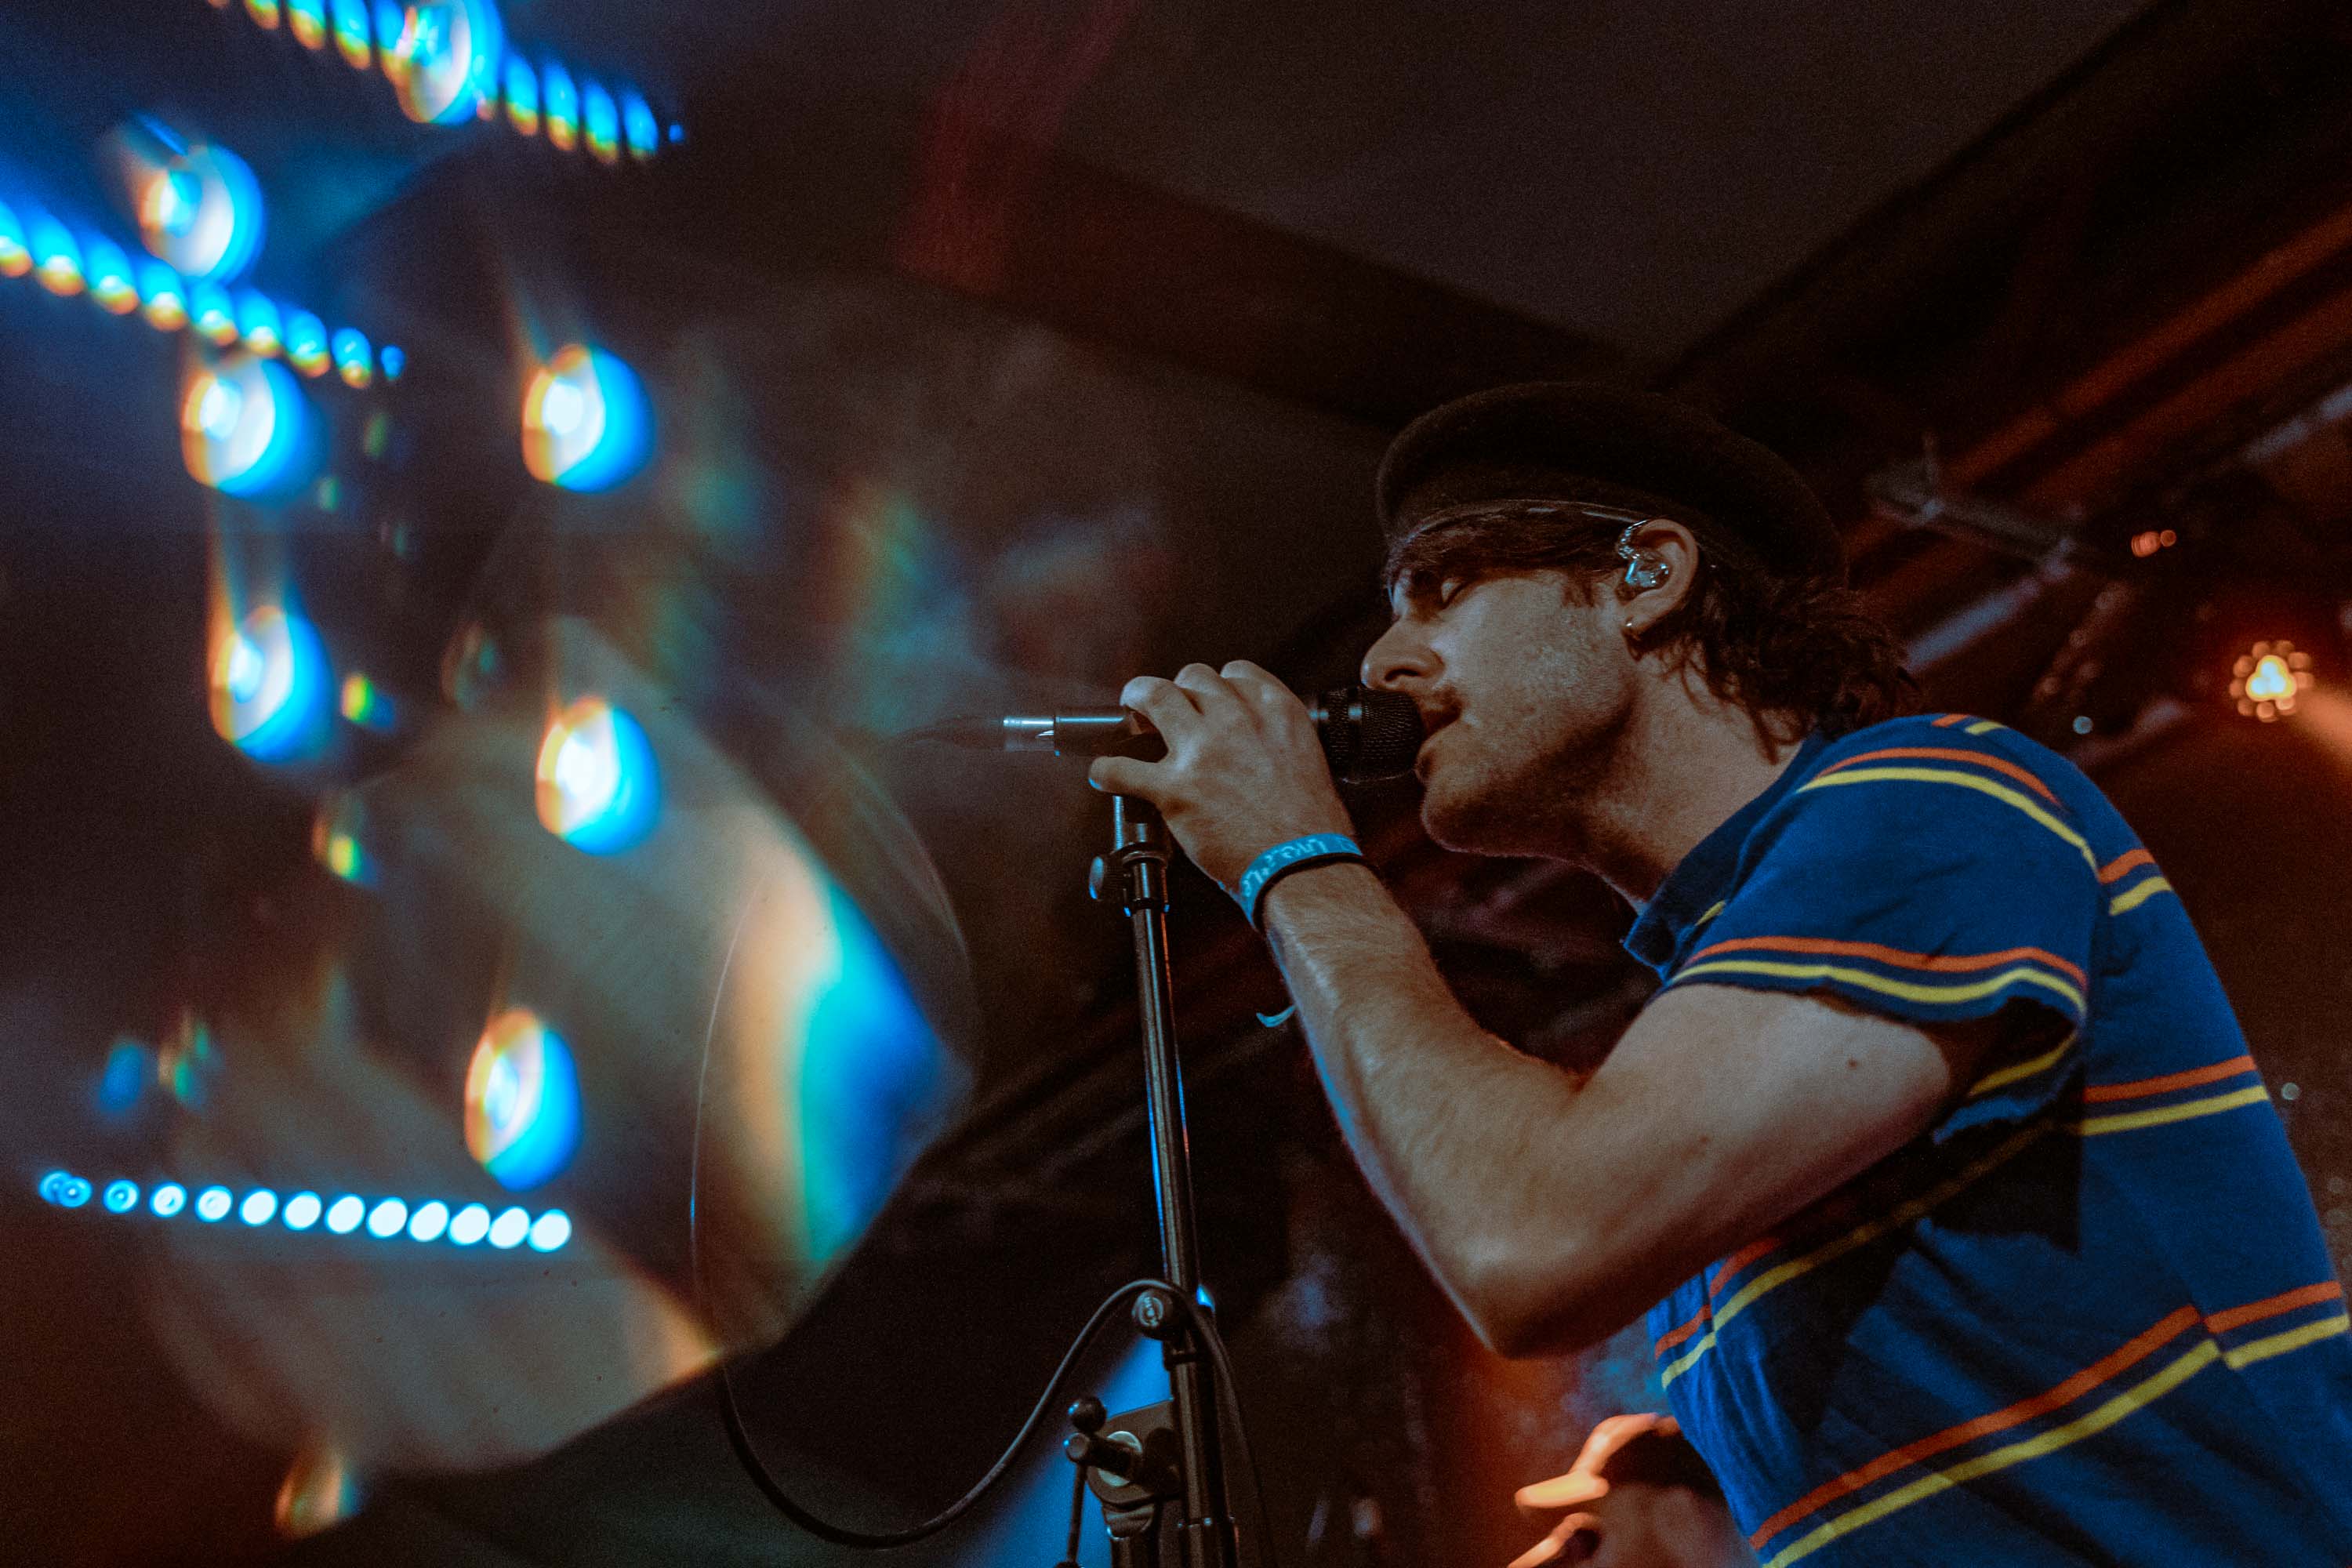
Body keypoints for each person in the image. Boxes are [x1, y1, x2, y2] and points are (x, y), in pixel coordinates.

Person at [1087, 383, 2352, 1565]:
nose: (1382, 662)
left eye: (1443, 587)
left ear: (1647, 576)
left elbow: (1531, 1240)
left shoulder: (1933, 803)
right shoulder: (1715, 1018)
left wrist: (1298, 864)